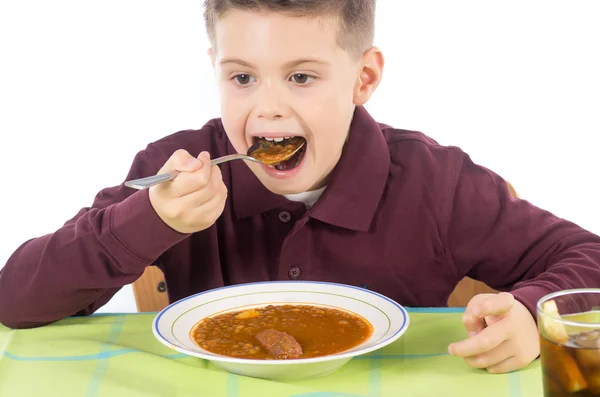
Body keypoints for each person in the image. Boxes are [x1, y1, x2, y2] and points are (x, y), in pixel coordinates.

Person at [1, 0, 599, 375]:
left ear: (363, 77)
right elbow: (16, 300)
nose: (268, 108)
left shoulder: (435, 184)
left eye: (302, 77)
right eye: (242, 77)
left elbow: (588, 256)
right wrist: (148, 222)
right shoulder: (173, 170)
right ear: (215, 68)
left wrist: (530, 312)